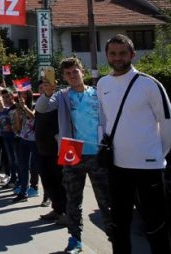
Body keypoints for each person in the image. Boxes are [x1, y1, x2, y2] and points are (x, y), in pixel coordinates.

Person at [97, 34, 171, 254]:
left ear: (132, 54)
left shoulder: (149, 84)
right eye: (113, 53)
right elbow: (103, 121)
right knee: (119, 224)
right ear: (107, 55)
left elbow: (167, 123)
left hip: (148, 167)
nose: (117, 58)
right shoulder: (103, 84)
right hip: (117, 166)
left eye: (122, 53)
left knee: (155, 224)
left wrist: (156, 153)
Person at [54, 57, 113, 254]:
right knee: (73, 200)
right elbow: (44, 106)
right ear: (63, 77)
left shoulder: (98, 94)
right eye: (68, 74)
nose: (72, 76)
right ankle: (75, 240)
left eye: (75, 72)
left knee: (106, 201)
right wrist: (45, 91)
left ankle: (115, 240)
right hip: (72, 150)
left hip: (98, 152)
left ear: (82, 71)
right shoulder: (62, 96)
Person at [34, 77, 68, 225]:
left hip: (58, 150)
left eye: (47, 87)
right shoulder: (41, 103)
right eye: (42, 88)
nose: (44, 90)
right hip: (43, 149)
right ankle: (57, 210)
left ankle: (67, 213)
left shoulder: (58, 101)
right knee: (48, 182)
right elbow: (40, 108)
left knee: (62, 182)